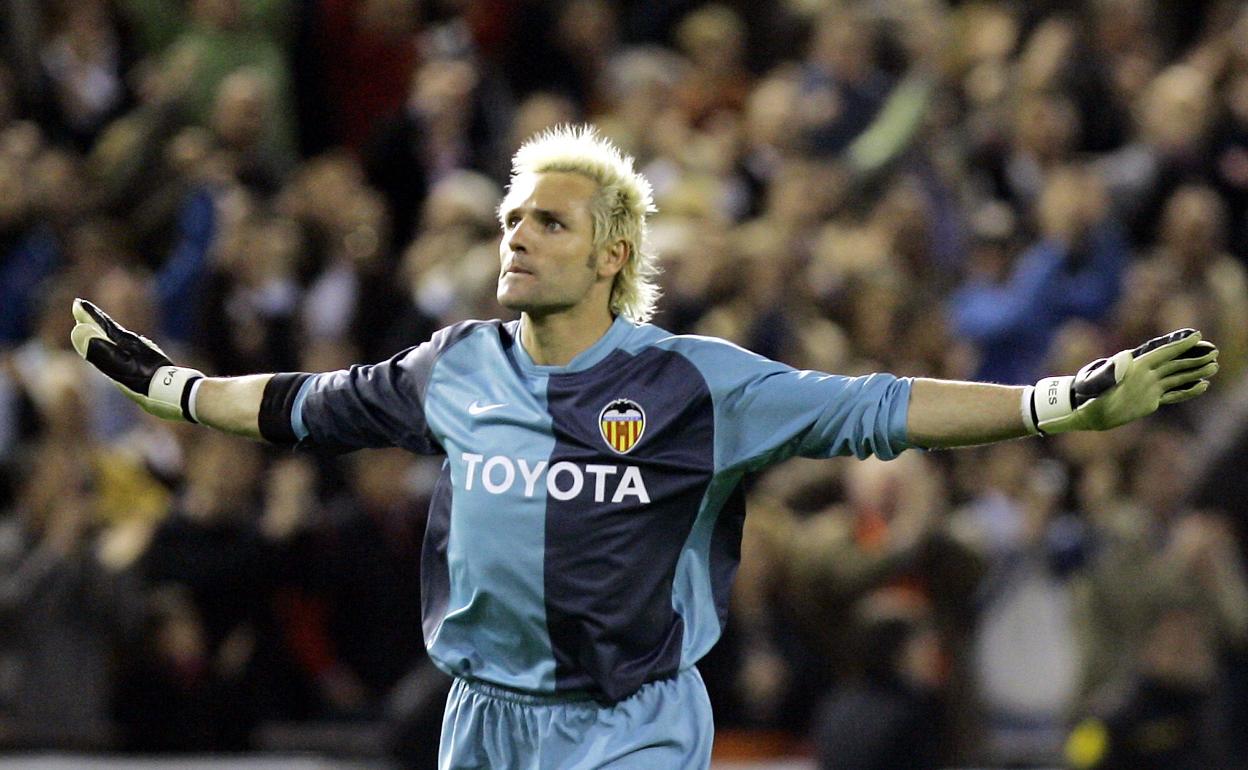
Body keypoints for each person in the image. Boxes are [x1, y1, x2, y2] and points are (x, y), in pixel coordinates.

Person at [65, 125, 1218, 768]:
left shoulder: (696, 383)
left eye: (548, 220)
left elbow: (878, 402)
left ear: (612, 253)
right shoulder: (455, 365)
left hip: (629, 724)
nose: (518, 233)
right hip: (483, 716)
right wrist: (171, 384)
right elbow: (298, 405)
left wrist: (1050, 404)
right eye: (514, 216)